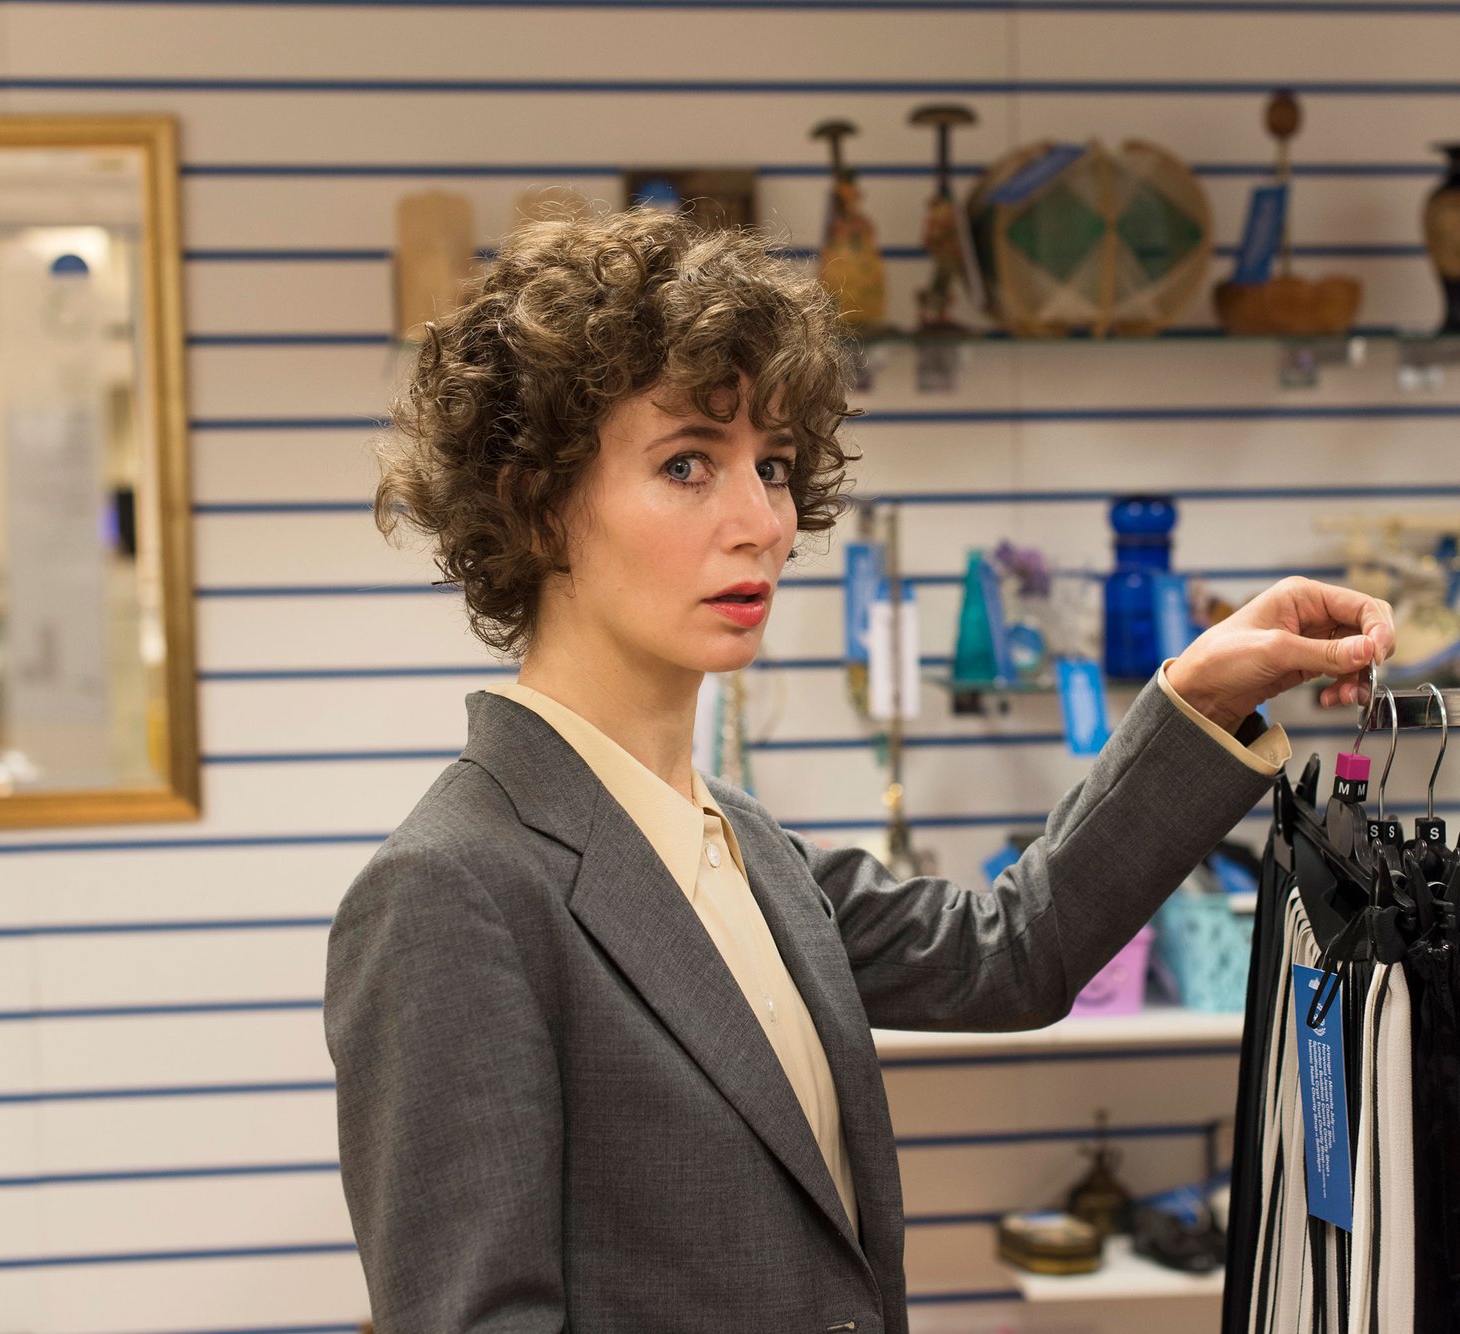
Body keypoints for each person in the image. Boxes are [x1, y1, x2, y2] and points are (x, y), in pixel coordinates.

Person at [323, 206, 1395, 1334]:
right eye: (687, 462)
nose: (762, 521)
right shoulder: (453, 890)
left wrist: (1202, 696)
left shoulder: (735, 841)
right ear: (533, 505)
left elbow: (1010, 952)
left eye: (774, 466)